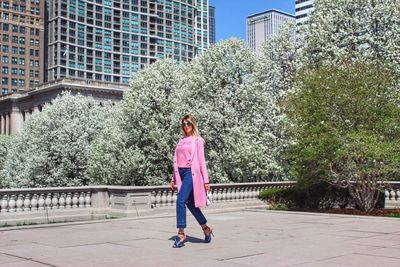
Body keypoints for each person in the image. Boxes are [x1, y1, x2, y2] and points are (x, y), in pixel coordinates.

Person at [170, 114, 213, 248]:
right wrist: (174, 178)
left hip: (191, 173)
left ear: (193, 124)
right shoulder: (181, 140)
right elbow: (177, 161)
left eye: (188, 123)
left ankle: (181, 233)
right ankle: (206, 228)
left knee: (180, 201)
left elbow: (201, 162)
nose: (186, 126)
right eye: (184, 124)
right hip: (181, 174)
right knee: (191, 204)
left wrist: (206, 181)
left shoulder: (197, 140)